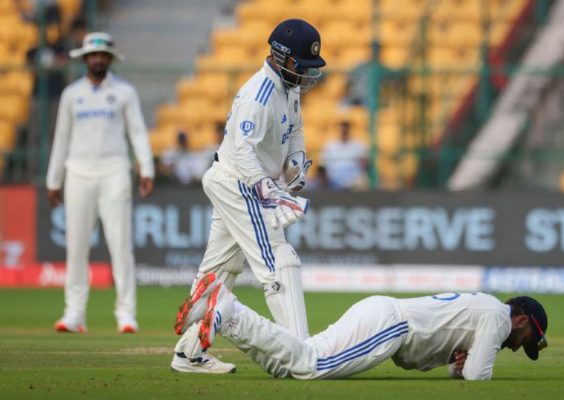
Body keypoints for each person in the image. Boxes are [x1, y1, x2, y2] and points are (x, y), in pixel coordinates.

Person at [170, 18, 325, 374]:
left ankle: (188, 352)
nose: (304, 76)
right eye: (300, 67)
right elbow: (242, 151)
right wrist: (265, 186)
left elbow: (295, 129)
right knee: (277, 256)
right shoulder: (260, 95)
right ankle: (302, 352)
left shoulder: (290, 89)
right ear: (281, 57)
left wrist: (297, 163)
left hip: (245, 182)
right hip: (238, 182)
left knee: (221, 268)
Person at [178, 282, 548, 380]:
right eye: (528, 341)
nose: (520, 349)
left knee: (287, 365)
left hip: (384, 317)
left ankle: (223, 309)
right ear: (521, 320)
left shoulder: (485, 311)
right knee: (310, 364)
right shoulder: (498, 317)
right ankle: (230, 311)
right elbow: (477, 378)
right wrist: (468, 368)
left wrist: (456, 366)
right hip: (391, 327)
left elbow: (462, 370)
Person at [46, 32, 154, 334]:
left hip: (114, 172)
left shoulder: (124, 93)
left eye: (102, 55)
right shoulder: (72, 95)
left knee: (120, 246)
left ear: (109, 59)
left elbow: (137, 133)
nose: (97, 60)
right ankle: (74, 314)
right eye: (92, 56)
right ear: (85, 59)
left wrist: (146, 169)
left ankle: (126, 315)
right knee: (76, 248)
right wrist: (53, 180)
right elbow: (61, 139)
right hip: (78, 174)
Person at [321, 121, 368, 190]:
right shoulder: (330, 146)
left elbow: (364, 164)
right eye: (342, 128)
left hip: (354, 183)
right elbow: (323, 166)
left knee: (362, 181)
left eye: (346, 129)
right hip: (333, 182)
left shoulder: (359, 145)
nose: (344, 131)